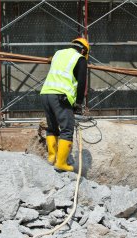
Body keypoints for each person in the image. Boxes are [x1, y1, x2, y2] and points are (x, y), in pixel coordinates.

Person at [40, 37, 89, 172]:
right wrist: (78, 104)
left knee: (52, 127)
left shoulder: (58, 54)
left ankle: (51, 158)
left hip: (45, 93)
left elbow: (53, 62)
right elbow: (81, 84)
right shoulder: (80, 59)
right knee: (67, 129)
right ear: (83, 50)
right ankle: (61, 163)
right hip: (60, 97)